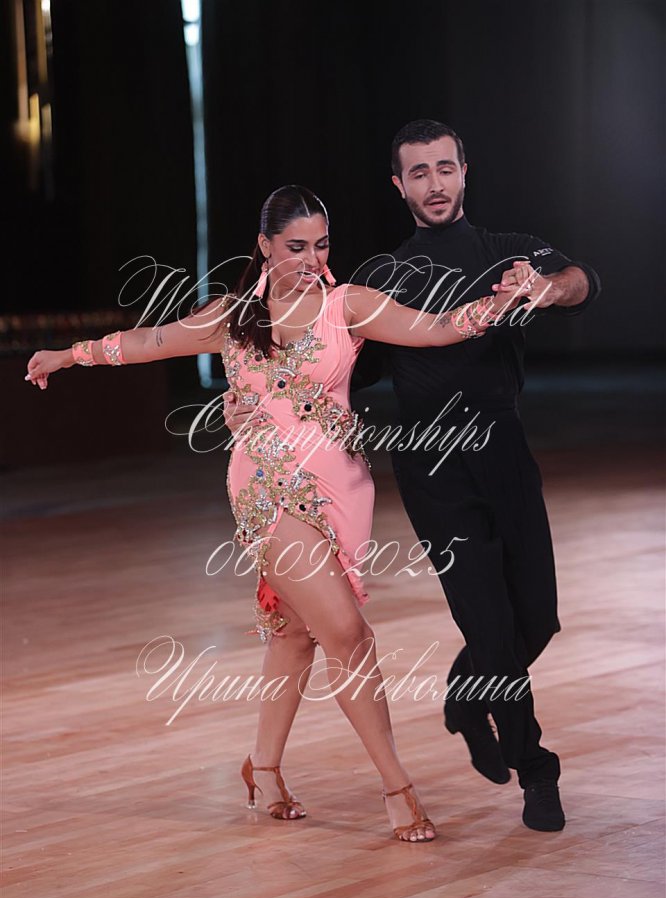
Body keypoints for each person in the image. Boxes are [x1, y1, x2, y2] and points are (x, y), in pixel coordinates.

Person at [24, 183, 521, 843]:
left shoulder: (349, 305)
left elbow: (435, 329)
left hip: (341, 485)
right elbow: (149, 341)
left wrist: (499, 302)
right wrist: (70, 354)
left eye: (321, 245)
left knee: (293, 633)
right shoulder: (232, 317)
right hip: (265, 485)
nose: (311, 259)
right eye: (296, 247)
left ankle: (262, 769)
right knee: (347, 632)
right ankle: (397, 787)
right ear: (264, 245)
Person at [225, 126, 602, 834]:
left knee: (538, 615)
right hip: (432, 466)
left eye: (444, 168)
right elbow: (325, 362)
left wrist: (544, 289)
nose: (434, 183)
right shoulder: (382, 276)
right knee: (489, 623)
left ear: (464, 172)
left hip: (504, 450)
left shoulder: (509, 251)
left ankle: (467, 693)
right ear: (399, 186)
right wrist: (248, 396)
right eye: (418, 173)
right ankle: (535, 769)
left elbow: (583, 282)